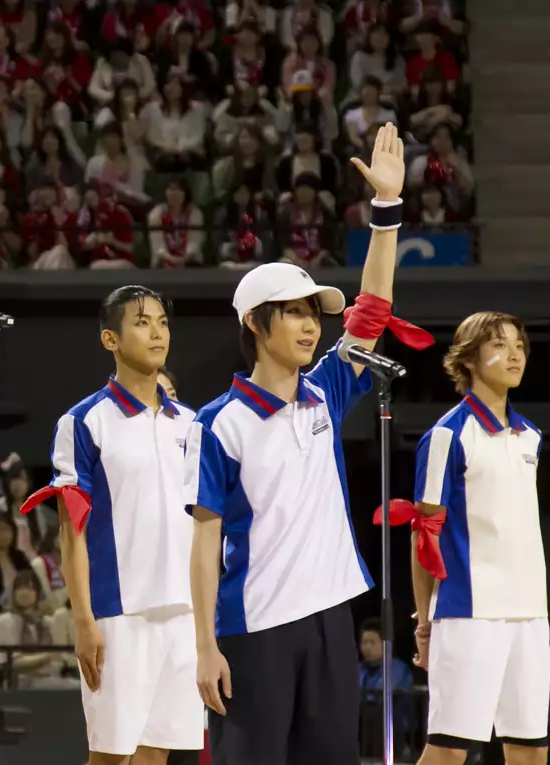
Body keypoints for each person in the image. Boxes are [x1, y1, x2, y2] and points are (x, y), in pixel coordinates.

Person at [188, 124, 426, 762]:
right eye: (292, 312)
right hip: (254, 628)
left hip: (330, 620)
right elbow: (205, 541)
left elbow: (371, 311)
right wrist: (204, 644)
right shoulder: (217, 423)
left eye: (311, 313)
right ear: (256, 325)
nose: (308, 325)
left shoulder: (326, 391)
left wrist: (385, 215)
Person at [19, 285, 203, 763]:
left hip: (183, 612)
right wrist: (83, 619)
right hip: (118, 612)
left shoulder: (191, 423)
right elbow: (70, 531)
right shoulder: (83, 422)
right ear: (110, 339)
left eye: (162, 322)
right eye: (142, 322)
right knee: (110, 756)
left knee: (155, 756)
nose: (157, 333)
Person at [393, 312, 548, 765]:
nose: (515, 353)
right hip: (468, 614)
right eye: (500, 344)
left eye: (519, 344)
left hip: (531, 614)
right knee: (447, 750)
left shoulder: (530, 437)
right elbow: (423, 535)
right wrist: (424, 624)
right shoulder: (446, 435)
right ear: (469, 359)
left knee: (530, 750)